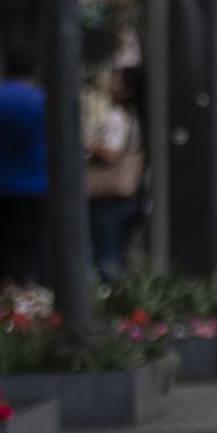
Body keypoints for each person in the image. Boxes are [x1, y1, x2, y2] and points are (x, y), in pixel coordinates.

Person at [0, 51, 47, 288]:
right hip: (35, 181)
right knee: (29, 241)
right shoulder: (39, 99)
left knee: (1, 238)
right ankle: (24, 286)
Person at [85, 66, 145, 285]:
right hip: (128, 191)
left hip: (109, 194)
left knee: (107, 253)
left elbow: (112, 154)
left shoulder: (118, 118)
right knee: (117, 250)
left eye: (116, 81)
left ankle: (111, 298)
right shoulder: (135, 116)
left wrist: (90, 146)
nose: (111, 84)